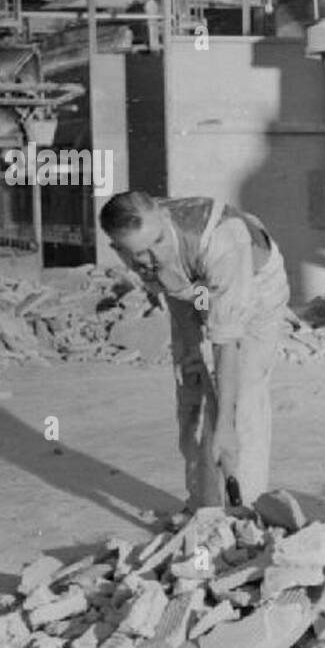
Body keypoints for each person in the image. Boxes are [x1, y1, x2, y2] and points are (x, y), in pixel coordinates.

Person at [98, 191, 289, 509]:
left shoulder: (223, 239)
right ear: (118, 249)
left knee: (242, 400)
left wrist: (225, 426)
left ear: (163, 216)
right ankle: (203, 506)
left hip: (251, 286)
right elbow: (172, 289)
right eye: (139, 254)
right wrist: (194, 354)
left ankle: (243, 510)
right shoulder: (139, 250)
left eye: (159, 241)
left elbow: (225, 343)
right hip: (193, 291)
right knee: (191, 386)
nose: (153, 257)